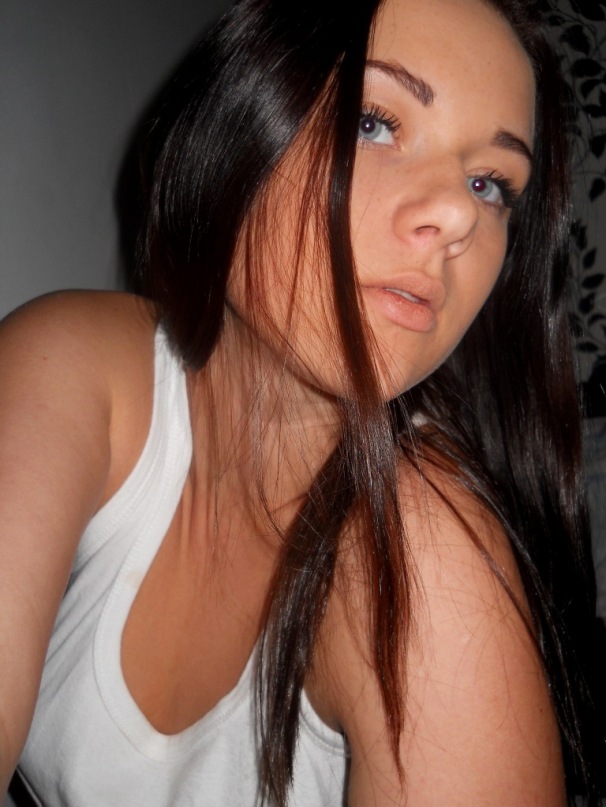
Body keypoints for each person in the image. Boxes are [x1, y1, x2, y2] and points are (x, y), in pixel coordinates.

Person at [0, 0, 600, 804]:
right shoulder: (70, 361)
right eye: (375, 123)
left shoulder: (423, 561)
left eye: (489, 183)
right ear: (236, 127)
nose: (460, 214)